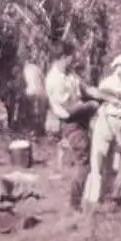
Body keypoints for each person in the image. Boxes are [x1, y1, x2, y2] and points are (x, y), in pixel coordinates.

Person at [79, 51, 121, 209]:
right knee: (98, 162)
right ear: (118, 67)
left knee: (114, 164)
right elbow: (99, 101)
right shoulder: (107, 83)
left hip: (120, 126)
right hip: (106, 123)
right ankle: (93, 199)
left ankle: (108, 197)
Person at [41, 57, 95, 207]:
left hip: (82, 120)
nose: (71, 61)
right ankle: (75, 203)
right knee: (84, 162)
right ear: (60, 58)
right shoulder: (54, 80)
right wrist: (90, 105)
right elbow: (68, 109)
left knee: (87, 162)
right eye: (69, 58)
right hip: (72, 123)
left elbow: (86, 89)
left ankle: (82, 200)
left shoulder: (71, 75)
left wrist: (108, 96)